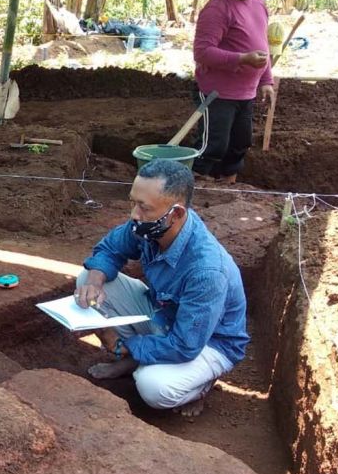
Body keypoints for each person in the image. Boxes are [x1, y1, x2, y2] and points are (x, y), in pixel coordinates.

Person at [75, 159, 249, 418]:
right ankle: (133, 360)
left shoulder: (207, 271)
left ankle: (200, 385)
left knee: (154, 386)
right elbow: (111, 249)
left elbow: (185, 344)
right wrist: (94, 281)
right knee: (86, 278)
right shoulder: (151, 227)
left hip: (208, 342)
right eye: (133, 202)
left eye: (143, 207)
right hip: (165, 315)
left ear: (176, 213)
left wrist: (125, 345)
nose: (134, 214)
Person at [192, 0, 276, 183]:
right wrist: (242, 59)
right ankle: (198, 190)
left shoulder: (259, 4)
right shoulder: (217, 9)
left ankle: (230, 190)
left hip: (246, 93)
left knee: (240, 143)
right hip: (217, 94)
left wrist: (267, 80)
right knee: (213, 144)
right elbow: (202, 52)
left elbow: (262, 45)